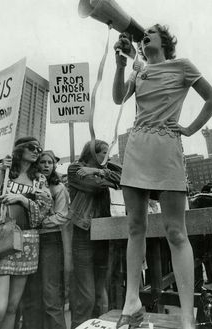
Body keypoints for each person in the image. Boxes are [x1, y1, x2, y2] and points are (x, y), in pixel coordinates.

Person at [112, 25, 212, 329]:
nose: (144, 35)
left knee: (176, 232)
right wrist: (120, 67)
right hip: (137, 147)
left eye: (151, 32)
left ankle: (187, 316)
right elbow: (119, 97)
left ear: (165, 41)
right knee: (135, 227)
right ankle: (131, 303)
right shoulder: (140, 71)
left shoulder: (182, 66)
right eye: (143, 34)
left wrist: (190, 128)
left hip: (167, 147)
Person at [0, 137, 52, 329]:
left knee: (13, 307)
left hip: (27, 242)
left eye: (39, 148)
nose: (37, 151)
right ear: (19, 149)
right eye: (32, 147)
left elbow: (44, 211)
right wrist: (2, 171)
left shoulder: (39, 178)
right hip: (0, 240)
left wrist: (22, 199)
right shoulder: (2, 170)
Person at [68, 140, 121, 329]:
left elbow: (124, 179)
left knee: (101, 292)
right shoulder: (75, 168)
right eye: (103, 153)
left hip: (103, 232)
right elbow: (94, 186)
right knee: (86, 296)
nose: (107, 156)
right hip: (84, 232)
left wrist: (98, 171)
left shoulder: (104, 168)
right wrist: (102, 175)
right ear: (91, 152)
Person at [21, 150, 71, 329]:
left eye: (49, 163)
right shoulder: (31, 186)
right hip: (31, 240)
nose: (46, 166)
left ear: (54, 165)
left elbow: (62, 216)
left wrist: (39, 221)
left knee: (51, 291)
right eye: (43, 162)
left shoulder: (58, 188)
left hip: (50, 239)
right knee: (32, 291)